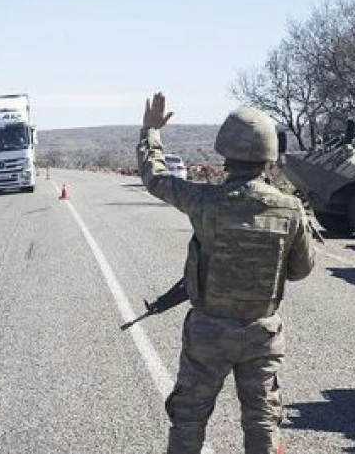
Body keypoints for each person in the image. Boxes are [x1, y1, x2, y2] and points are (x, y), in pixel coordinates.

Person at [137, 92, 316, 454]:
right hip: (261, 333)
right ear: (269, 155)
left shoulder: (204, 201)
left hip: (208, 332)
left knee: (189, 418)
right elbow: (300, 269)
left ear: (225, 152)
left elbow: (155, 177)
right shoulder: (291, 208)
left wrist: (150, 132)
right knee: (262, 420)